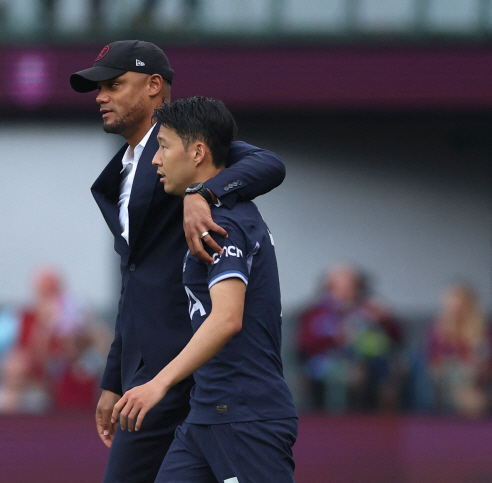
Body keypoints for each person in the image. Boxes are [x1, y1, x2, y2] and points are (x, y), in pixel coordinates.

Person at [70, 40, 286, 482]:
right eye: (98, 88)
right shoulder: (120, 173)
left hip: (197, 371)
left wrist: (204, 193)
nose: (100, 96)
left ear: (154, 86)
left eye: (113, 84)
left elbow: (269, 164)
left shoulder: (188, 146)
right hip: (155, 375)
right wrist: (115, 379)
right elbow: (134, 284)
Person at [112, 96, 297, 482]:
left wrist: (157, 383)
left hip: (246, 416)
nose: (156, 161)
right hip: (206, 413)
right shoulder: (210, 214)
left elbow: (227, 319)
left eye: (163, 147)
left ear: (197, 152)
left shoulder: (224, 222)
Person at [0, 268, 111, 413]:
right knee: (14, 367)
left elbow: (99, 344)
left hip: (69, 377)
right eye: (44, 291)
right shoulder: (21, 317)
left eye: (52, 290)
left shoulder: (78, 314)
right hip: (34, 376)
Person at [296, 264, 403, 412]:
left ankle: (381, 425)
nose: (346, 290)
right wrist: (336, 338)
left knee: (386, 373)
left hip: (368, 362)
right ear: (329, 287)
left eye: (351, 285)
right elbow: (305, 344)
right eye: (340, 285)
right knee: (353, 373)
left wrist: (384, 318)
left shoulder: (369, 308)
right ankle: (343, 425)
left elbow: (395, 338)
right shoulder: (315, 312)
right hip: (326, 362)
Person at [426, 282, 491, 417]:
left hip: (478, 378)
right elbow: (433, 363)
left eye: (459, 304)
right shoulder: (438, 330)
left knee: (472, 391)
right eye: (451, 303)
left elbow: (486, 360)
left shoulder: (482, 329)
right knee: (470, 398)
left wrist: (477, 367)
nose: (454, 308)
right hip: (447, 379)